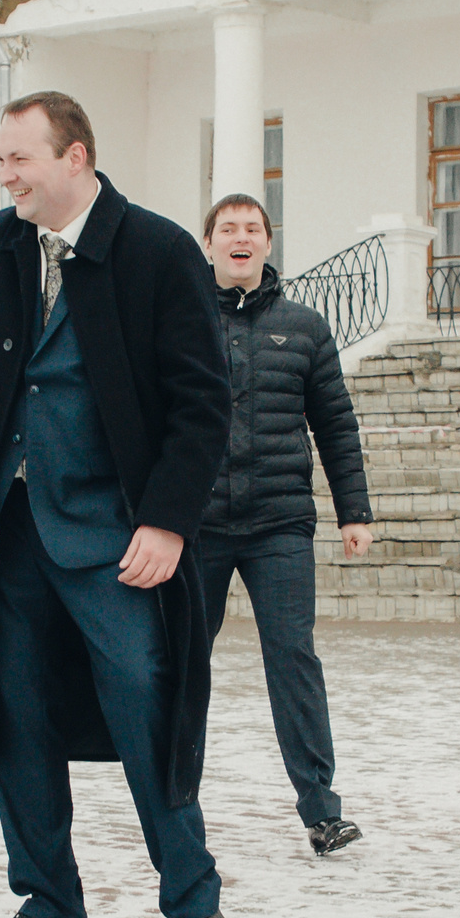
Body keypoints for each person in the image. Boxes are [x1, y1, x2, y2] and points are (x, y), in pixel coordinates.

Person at [0, 92, 236, 918]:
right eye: (1, 160)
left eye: (21, 158)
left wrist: (169, 521)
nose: (7, 174)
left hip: (115, 539)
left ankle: (195, 905)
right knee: (13, 714)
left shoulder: (159, 250)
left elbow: (203, 404)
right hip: (6, 535)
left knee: (149, 706)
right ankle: (49, 902)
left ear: (77, 157)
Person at [193, 193, 375, 855]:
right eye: (227, 228)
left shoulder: (304, 327)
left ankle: (323, 811)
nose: (240, 238)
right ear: (207, 241)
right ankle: (173, 796)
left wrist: (354, 511)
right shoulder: (179, 320)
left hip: (280, 523)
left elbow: (335, 424)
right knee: (186, 661)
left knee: (293, 658)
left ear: (268, 244)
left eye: (252, 229)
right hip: (197, 525)